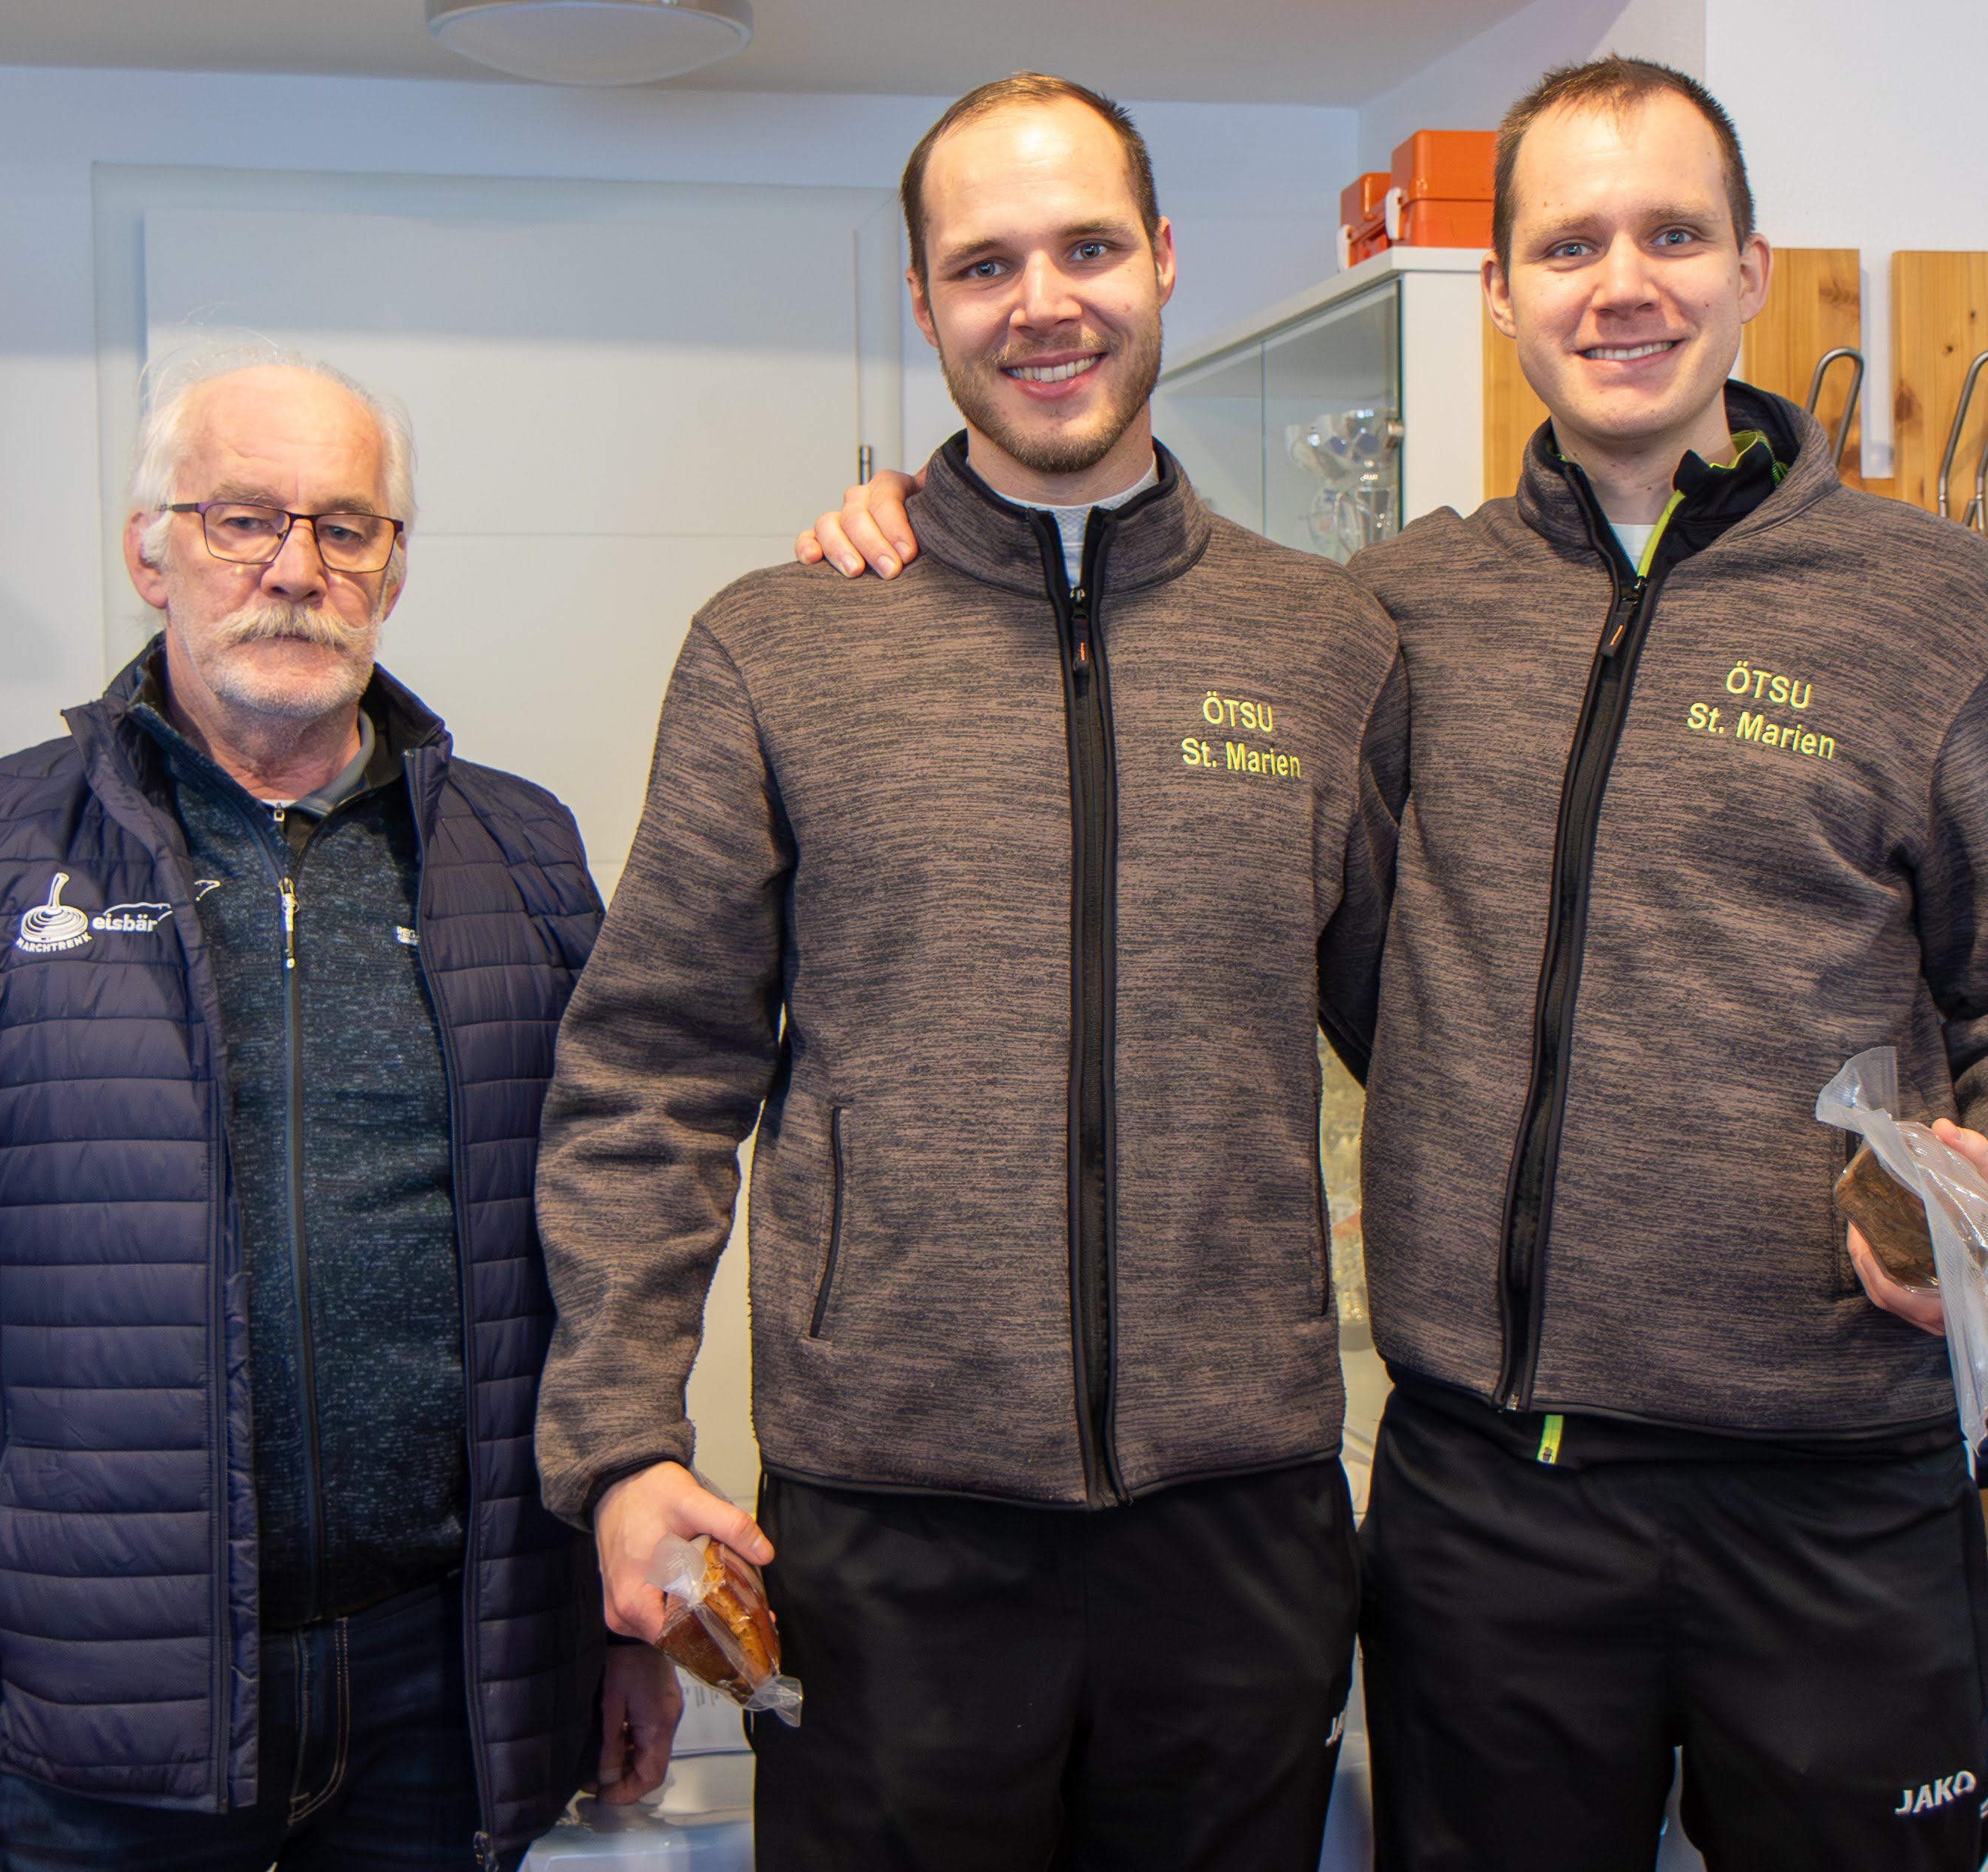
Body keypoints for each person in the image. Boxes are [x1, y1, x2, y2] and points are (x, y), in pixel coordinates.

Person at [798, 54, 1988, 1872]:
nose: (1625, 285)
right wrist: (929, 525)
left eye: (1673, 234)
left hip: (1831, 1483)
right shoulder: (1396, 612)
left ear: (1752, 267)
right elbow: (1320, 914)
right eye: (1571, 245)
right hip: (1484, 1497)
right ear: (1501, 292)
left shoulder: (1935, 609)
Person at [531, 73, 1402, 1872]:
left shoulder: (1324, 643)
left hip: (1238, 1531)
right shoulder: (782, 646)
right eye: (986, 264)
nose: (1043, 303)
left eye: (1088, 248)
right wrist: (618, 1442)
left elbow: (1447, 1049)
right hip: (886, 1538)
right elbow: (651, 1076)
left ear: (1165, 258)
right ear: (923, 304)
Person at [0, 345, 677, 1872]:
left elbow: (600, 1257)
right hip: (104, 1695)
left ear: (394, 564)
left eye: (347, 526)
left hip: (448, 1686)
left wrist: (615, 1623)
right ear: (151, 553)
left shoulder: (525, 852)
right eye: (243, 518)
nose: (297, 567)